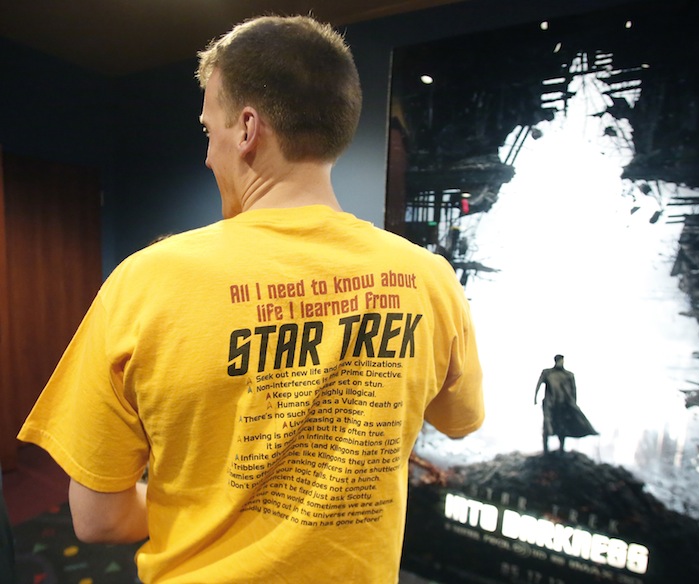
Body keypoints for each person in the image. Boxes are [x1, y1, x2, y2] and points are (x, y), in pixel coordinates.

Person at [17, 15, 483, 584]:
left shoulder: (145, 282)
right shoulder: (429, 280)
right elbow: (459, 422)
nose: (208, 156)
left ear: (245, 129)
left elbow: (96, 519)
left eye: (207, 131)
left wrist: (203, 501)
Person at [534, 354, 596, 453]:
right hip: (550, 404)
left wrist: (573, 403)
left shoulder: (568, 375)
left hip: (563, 404)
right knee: (547, 426)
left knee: (562, 426)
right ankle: (546, 451)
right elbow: (539, 384)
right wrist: (535, 398)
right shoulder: (547, 373)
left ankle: (561, 450)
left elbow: (573, 390)